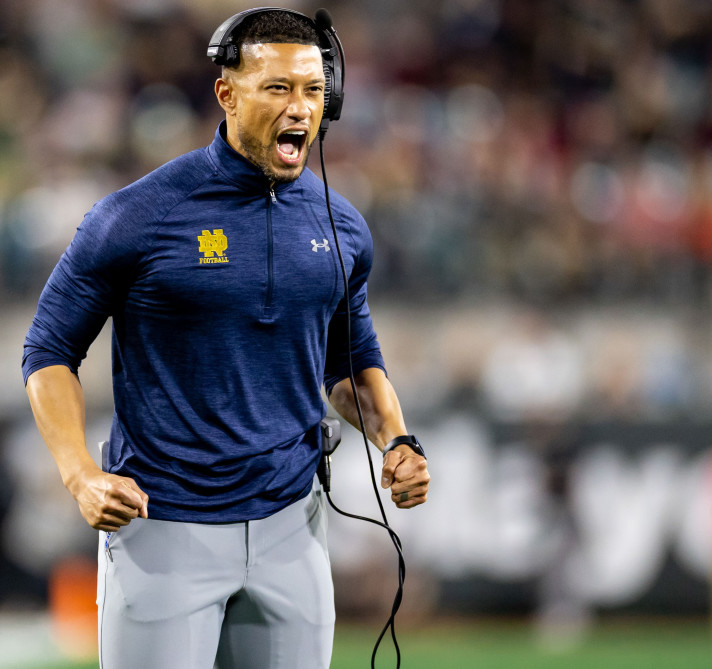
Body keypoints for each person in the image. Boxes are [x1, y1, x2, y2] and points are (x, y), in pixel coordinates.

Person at [21, 8, 430, 668]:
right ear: (227, 93)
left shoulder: (341, 225)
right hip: (163, 527)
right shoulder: (137, 216)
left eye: (313, 90)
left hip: (293, 527)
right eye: (278, 88)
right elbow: (48, 351)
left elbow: (349, 367)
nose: (301, 108)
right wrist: (80, 475)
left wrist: (397, 438)